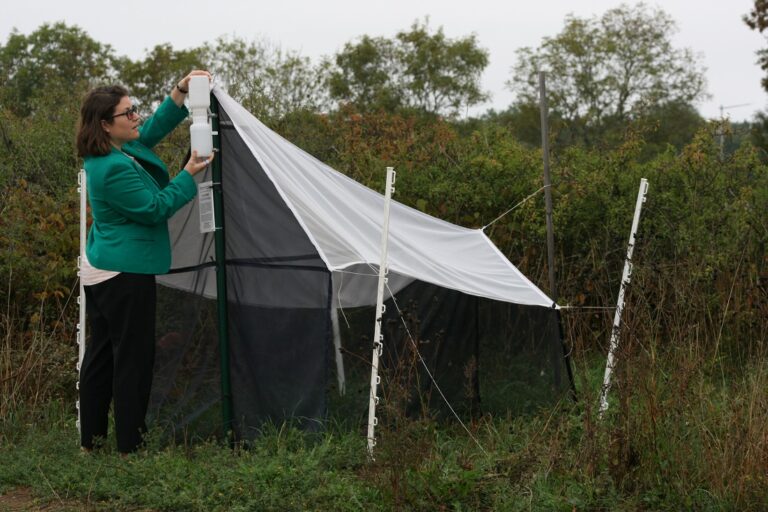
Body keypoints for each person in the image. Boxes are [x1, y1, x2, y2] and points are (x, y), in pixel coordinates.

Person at [75, 70, 213, 454]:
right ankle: (129, 447)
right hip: (124, 272)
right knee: (132, 359)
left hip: (106, 265)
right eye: (128, 113)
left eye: (134, 109)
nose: (136, 117)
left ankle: (92, 442)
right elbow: (154, 209)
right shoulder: (111, 168)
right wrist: (188, 174)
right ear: (106, 124)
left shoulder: (113, 150)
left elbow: (150, 131)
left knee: (102, 355)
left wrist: (180, 93)